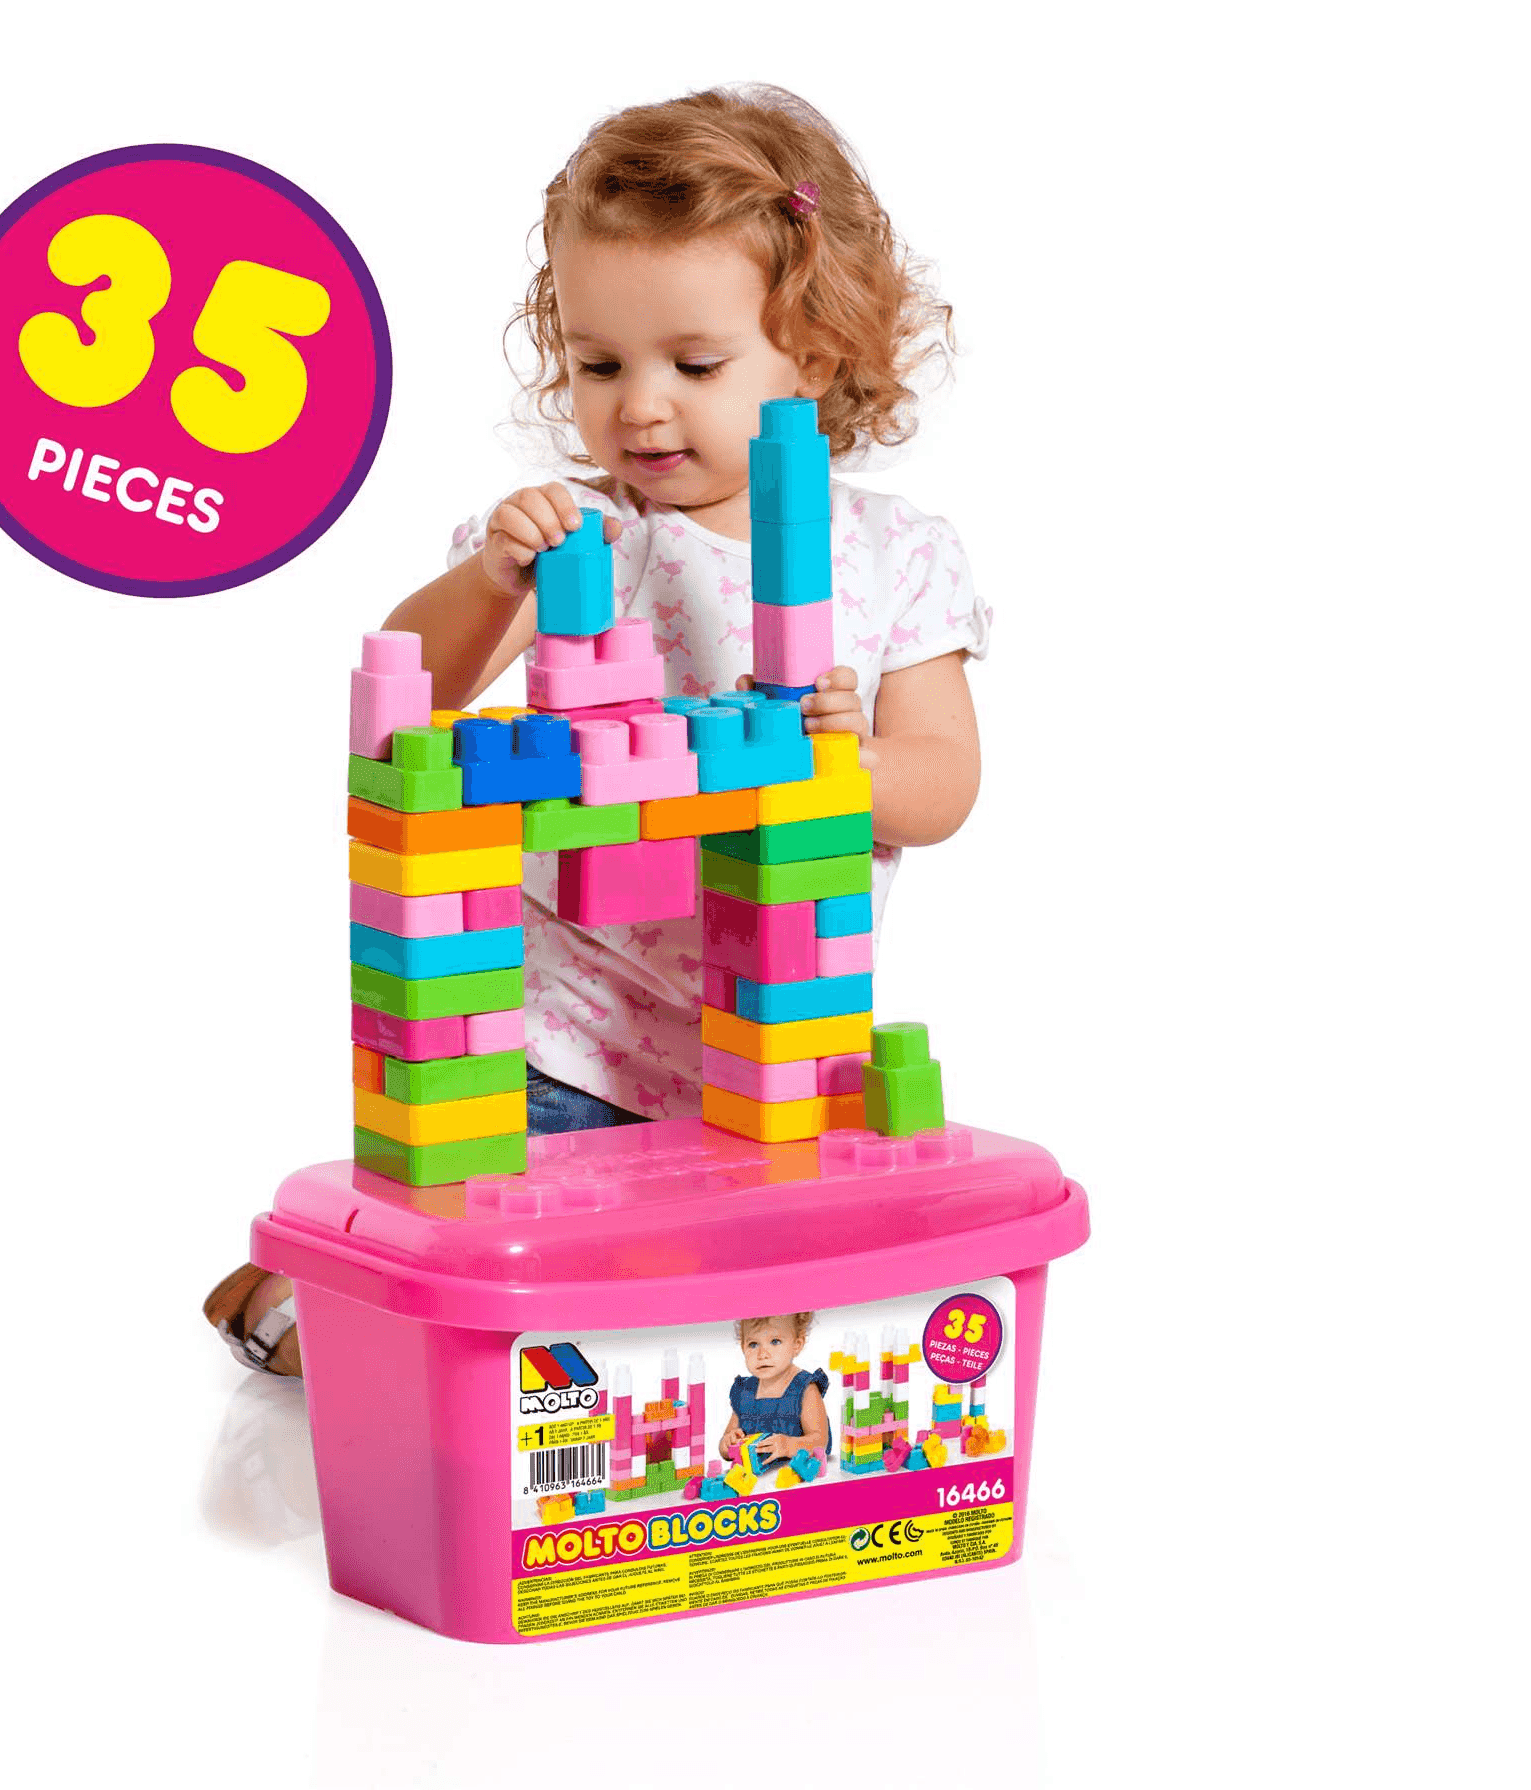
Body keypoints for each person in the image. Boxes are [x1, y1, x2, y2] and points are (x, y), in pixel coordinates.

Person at [208, 83, 989, 1373]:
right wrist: (491, 582)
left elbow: (944, 783)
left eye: (693, 364)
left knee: (717, 1334)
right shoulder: (584, 533)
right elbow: (418, 690)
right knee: (503, 1293)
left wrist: (844, 763)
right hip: (555, 1036)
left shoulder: (892, 554)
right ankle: (333, 1286)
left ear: (812, 353)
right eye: (599, 364)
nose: (639, 406)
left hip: (779, 1047)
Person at [720, 1313, 830, 1466]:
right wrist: (728, 1443)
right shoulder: (744, 1392)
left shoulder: (805, 1389)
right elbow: (725, 1447)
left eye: (775, 1341)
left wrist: (788, 1446)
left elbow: (820, 1441)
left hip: (797, 1474)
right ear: (743, 1347)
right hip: (756, 1478)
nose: (762, 1355)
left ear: (797, 1345)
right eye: (753, 1344)